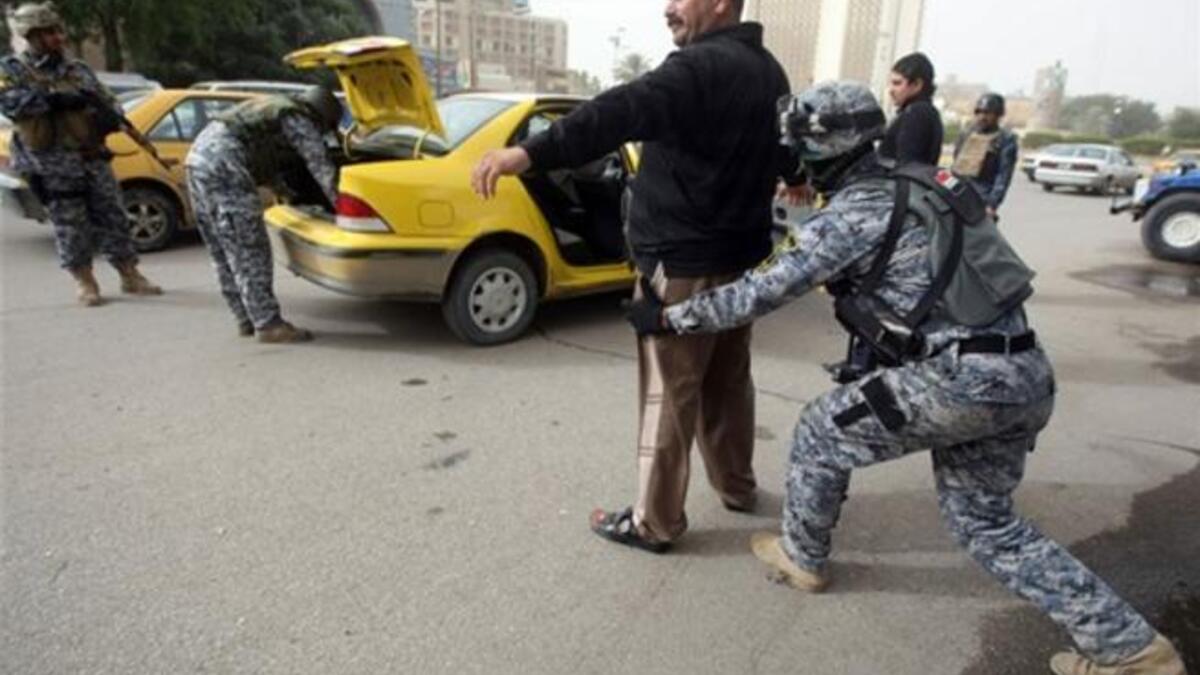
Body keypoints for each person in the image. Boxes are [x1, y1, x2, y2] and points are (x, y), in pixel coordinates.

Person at [625, 81, 1186, 675]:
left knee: (820, 429)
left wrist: (669, 318)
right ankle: (1132, 649)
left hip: (960, 380)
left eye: (799, 147)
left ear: (823, 147)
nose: (793, 158)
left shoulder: (852, 215)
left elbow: (759, 292)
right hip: (1023, 372)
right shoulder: (925, 185)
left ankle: (802, 556)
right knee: (986, 523)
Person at [471, 0, 804, 552]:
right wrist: (795, 174)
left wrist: (528, 153)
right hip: (740, 264)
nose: (668, 8)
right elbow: (783, 140)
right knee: (727, 381)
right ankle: (736, 486)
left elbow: (619, 109)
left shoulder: (695, 67)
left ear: (720, 4)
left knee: (670, 392)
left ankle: (654, 522)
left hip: (682, 266)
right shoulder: (769, 71)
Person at [0, 2, 162, 306]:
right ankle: (85, 282)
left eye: (58, 31)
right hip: (52, 163)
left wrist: (107, 117)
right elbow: (10, 104)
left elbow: (107, 100)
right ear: (30, 35)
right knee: (70, 225)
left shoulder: (77, 69)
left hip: (92, 156)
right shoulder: (12, 69)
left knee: (114, 216)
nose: (58, 38)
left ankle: (130, 275)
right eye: (49, 33)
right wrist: (53, 100)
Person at [184, 87, 342, 343]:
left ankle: (245, 317)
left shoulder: (272, 107)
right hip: (226, 164)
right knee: (249, 248)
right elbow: (321, 167)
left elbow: (269, 167)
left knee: (222, 247)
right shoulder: (299, 117)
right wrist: (341, 209)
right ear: (322, 115)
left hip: (197, 161)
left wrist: (290, 195)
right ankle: (269, 325)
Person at [953, 93, 1019, 220]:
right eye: (979, 112)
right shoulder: (966, 134)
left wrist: (992, 204)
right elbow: (956, 162)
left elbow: (1003, 175)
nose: (982, 117)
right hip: (958, 192)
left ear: (998, 115)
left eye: (988, 113)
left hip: (982, 197)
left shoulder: (1005, 139)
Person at [879, 52, 944, 166]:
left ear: (917, 84)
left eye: (897, 83)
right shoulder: (923, 111)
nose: (891, 90)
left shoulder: (917, 114)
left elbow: (907, 166)